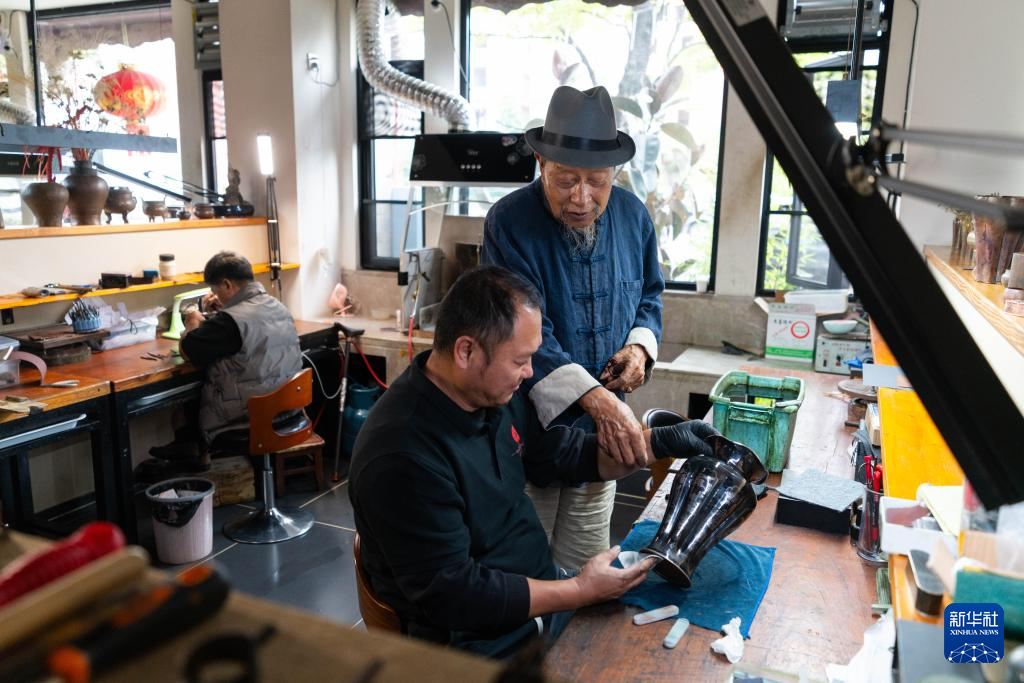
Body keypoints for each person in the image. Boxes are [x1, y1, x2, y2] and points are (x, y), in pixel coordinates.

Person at [348, 266, 715, 659]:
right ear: (466, 351)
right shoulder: (403, 456)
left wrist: (659, 442)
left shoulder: (486, 394)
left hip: (535, 597)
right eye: (520, 360)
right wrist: (578, 591)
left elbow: (560, 455)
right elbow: (455, 595)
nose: (529, 372)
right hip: (473, 645)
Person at [481, 84, 664, 570]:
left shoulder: (633, 217)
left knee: (588, 566)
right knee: (526, 570)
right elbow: (521, 333)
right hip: (527, 433)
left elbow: (649, 294)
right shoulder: (509, 222)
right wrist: (599, 400)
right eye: (566, 180)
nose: (582, 198)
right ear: (541, 164)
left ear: (613, 174)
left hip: (600, 440)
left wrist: (639, 349)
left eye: (596, 182)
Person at [150, 251, 302, 465]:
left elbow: (188, 350)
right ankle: (196, 454)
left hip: (248, 420)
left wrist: (193, 322)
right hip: (289, 411)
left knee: (186, 406)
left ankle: (195, 457)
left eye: (215, 290)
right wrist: (226, 310)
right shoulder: (278, 306)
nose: (215, 296)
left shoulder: (228, 323)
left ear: (227, 285)